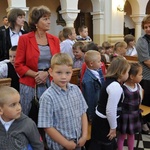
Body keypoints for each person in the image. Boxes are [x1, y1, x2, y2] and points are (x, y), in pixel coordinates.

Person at [15, 5, 60, 116]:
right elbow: (19, 64)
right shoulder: (24, 39)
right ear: (36, 22)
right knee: (28, 115)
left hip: (50, 81)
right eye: (45, 19)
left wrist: (46, 73)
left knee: (49, 114)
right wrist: (37, 75)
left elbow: (58, 62)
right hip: (30, 83)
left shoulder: (54, 39)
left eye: (49, 18)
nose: (49, 21)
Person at [38, 53, 88, 150]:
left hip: (78, 142)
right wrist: (66, 143)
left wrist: (84, 135)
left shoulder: (76, 89)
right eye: (59, 72)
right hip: (60, 146)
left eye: (67, 73)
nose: (64, 77)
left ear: (72, 72)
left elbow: (83, 112)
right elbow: (47, 126)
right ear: (51, 72)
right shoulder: (47, 97)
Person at [89, 56, 130, 150]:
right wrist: (113, 127)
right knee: (105, 145)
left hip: (100, 119)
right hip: (105, 123)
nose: (128, 74)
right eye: (127, 72)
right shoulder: (115, 86)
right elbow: (110, 110)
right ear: (121, 73)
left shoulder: (109, 81)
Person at [117, 63, 143, 150]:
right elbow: (119, 103)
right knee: (122, 136)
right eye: (140, 74)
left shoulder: (138, 86)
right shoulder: (122, 88)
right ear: (132, 76)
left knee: (131, 135)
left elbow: (140, 100)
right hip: (125, 116)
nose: (142, 76)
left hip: (135, 115)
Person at [136, 14, 150, 134]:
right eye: (145, 27)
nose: (148, 29)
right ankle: (143, 123)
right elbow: (146, 61)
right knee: (145, 100)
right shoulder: (142, 41)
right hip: (145, 76)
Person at [81, 50, 104, 122]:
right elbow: (89, 99)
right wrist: (91, 115)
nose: (101, 63)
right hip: (94, 110)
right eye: (99, 61)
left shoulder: (98, 70)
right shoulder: (88, 80)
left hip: (100, 105)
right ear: (91, 63)